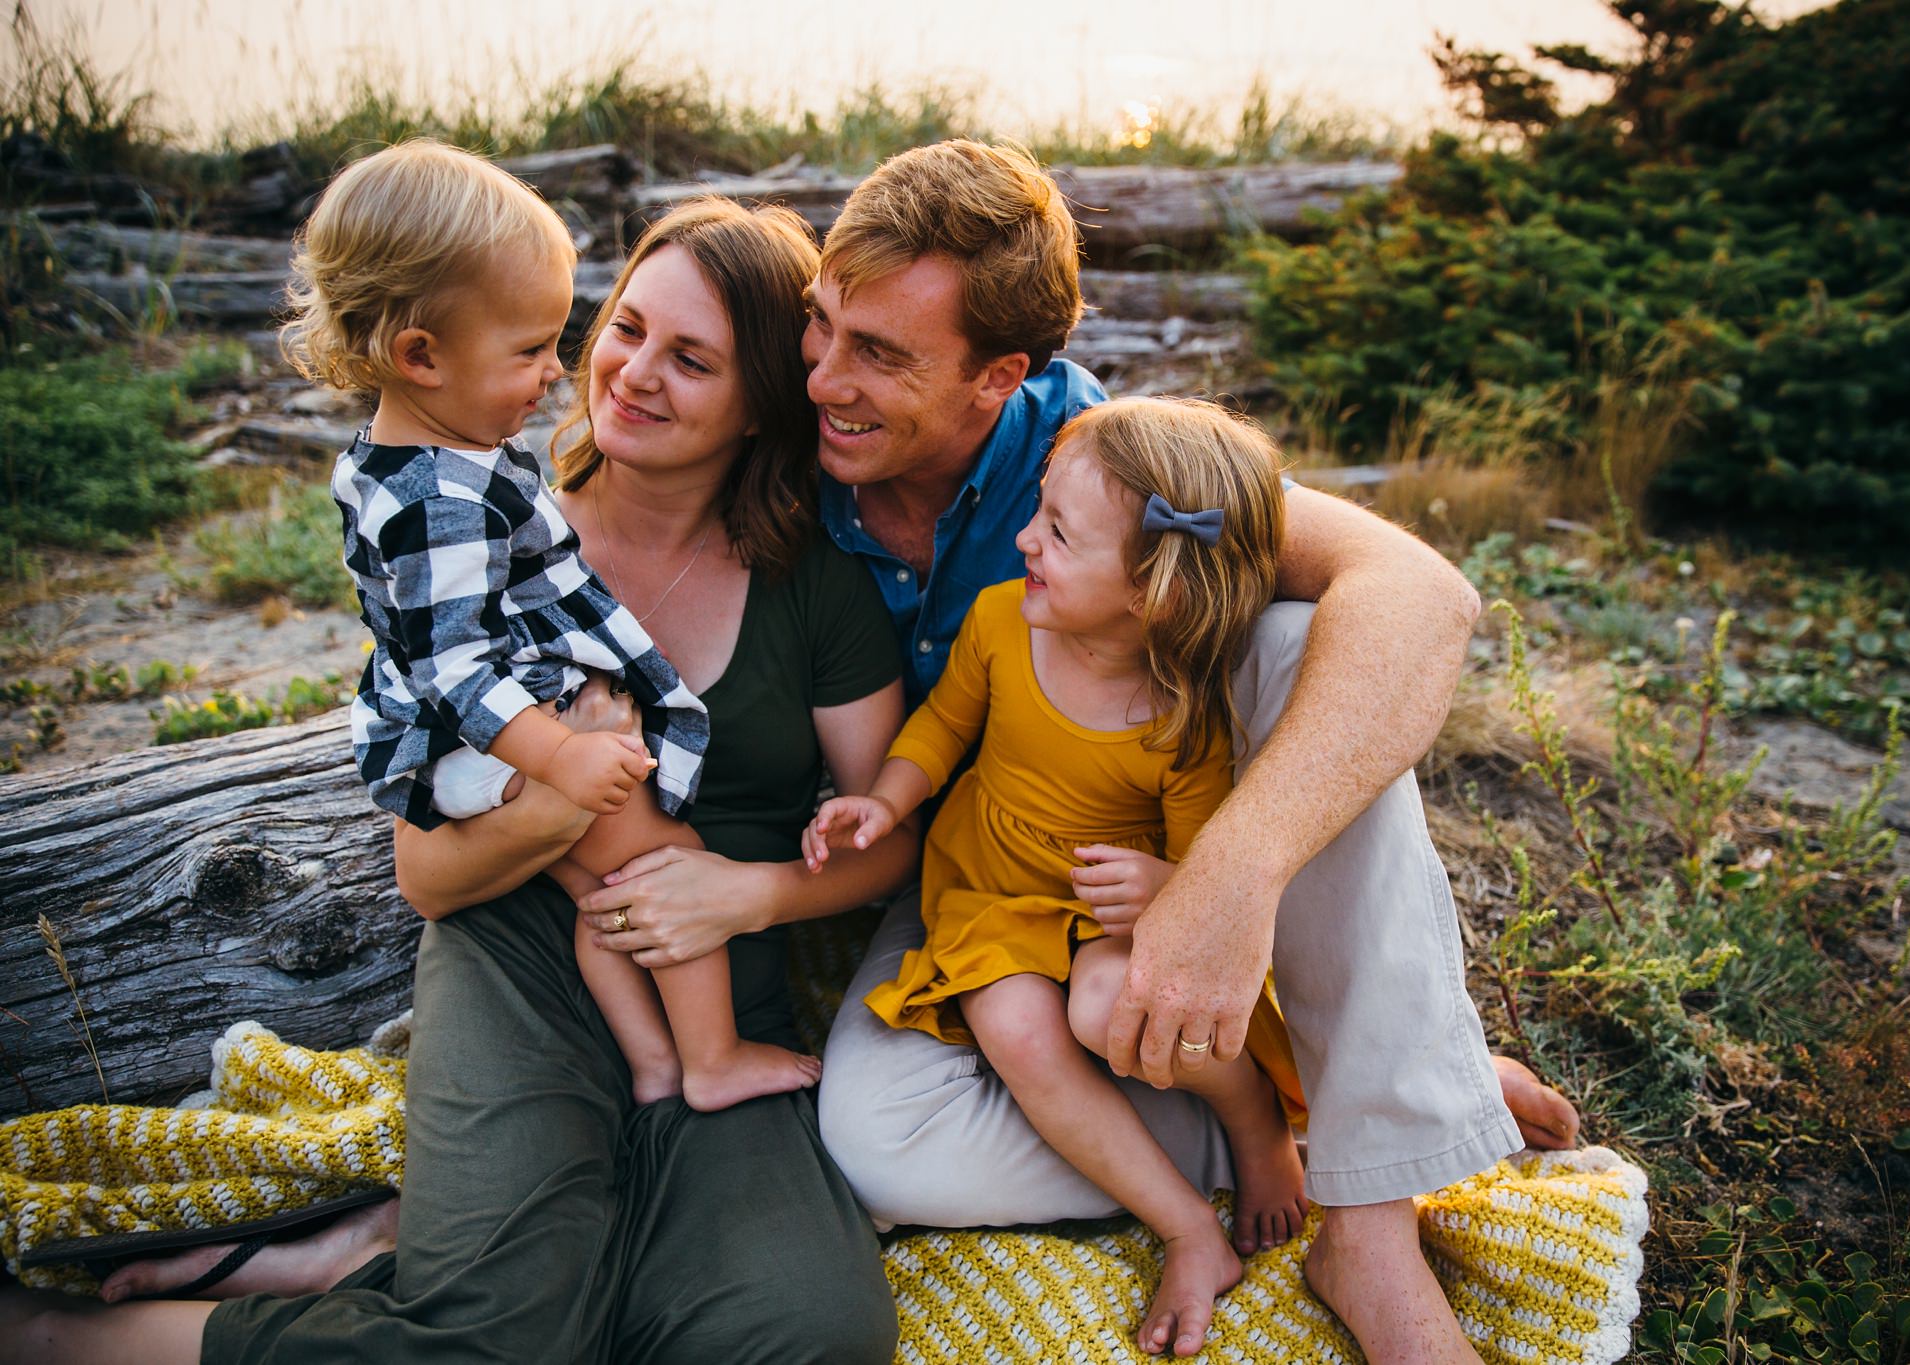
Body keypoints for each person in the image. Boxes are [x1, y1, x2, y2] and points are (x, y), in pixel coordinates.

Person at [2, 195, 910, 1365]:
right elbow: (427, 873)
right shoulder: (469, 545)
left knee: (807, 1335)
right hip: (515, 962)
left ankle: (412, 1251)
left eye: (691, 359)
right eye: (625, 328)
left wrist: (752, 897)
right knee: (492, 1343)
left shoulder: (811, 587)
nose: (631, 374)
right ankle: (68, 1342)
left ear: (760, 406)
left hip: (720, 992)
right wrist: (564, 794)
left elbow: (888, 838)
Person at [779, 139, 1583, 1361]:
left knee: (1304, 636)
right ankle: (1344, 1103)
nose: (824, 376)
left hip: (1136, 869)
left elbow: (1422, 594)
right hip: (964, 881)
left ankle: (1369, 1228)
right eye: (819, 325)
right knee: (875, 1154)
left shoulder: (1101, 459)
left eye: (879, 354)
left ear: (1000, 375)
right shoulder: (778, 449)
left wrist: (1226, 875)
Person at [296, 140, 816, 1112]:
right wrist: (564, 761)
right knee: (667, 861)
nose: (558, 373)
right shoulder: (441, 494)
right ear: (420, 355)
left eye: (692, 358)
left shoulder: (408, 458)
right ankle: (708, 1058)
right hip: (495, 732)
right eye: (531, 349)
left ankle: (654, 1066)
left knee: (602, 894)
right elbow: (451, 667)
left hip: (483, 734)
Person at [808, 396, 1316, 1355]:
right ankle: (1184, 1224)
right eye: (1037, 511)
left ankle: (1255, 1116)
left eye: (1059, 533)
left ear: (1153, 590)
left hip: (1098, 909)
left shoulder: (1179, 709)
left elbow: (1208, 860)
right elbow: (945, 727)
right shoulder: (1004, 623)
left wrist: (1165, 883)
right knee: (1016, 1028)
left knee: (1109, 1009)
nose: (1023, 539)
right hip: (989, 893)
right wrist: (888, 798)